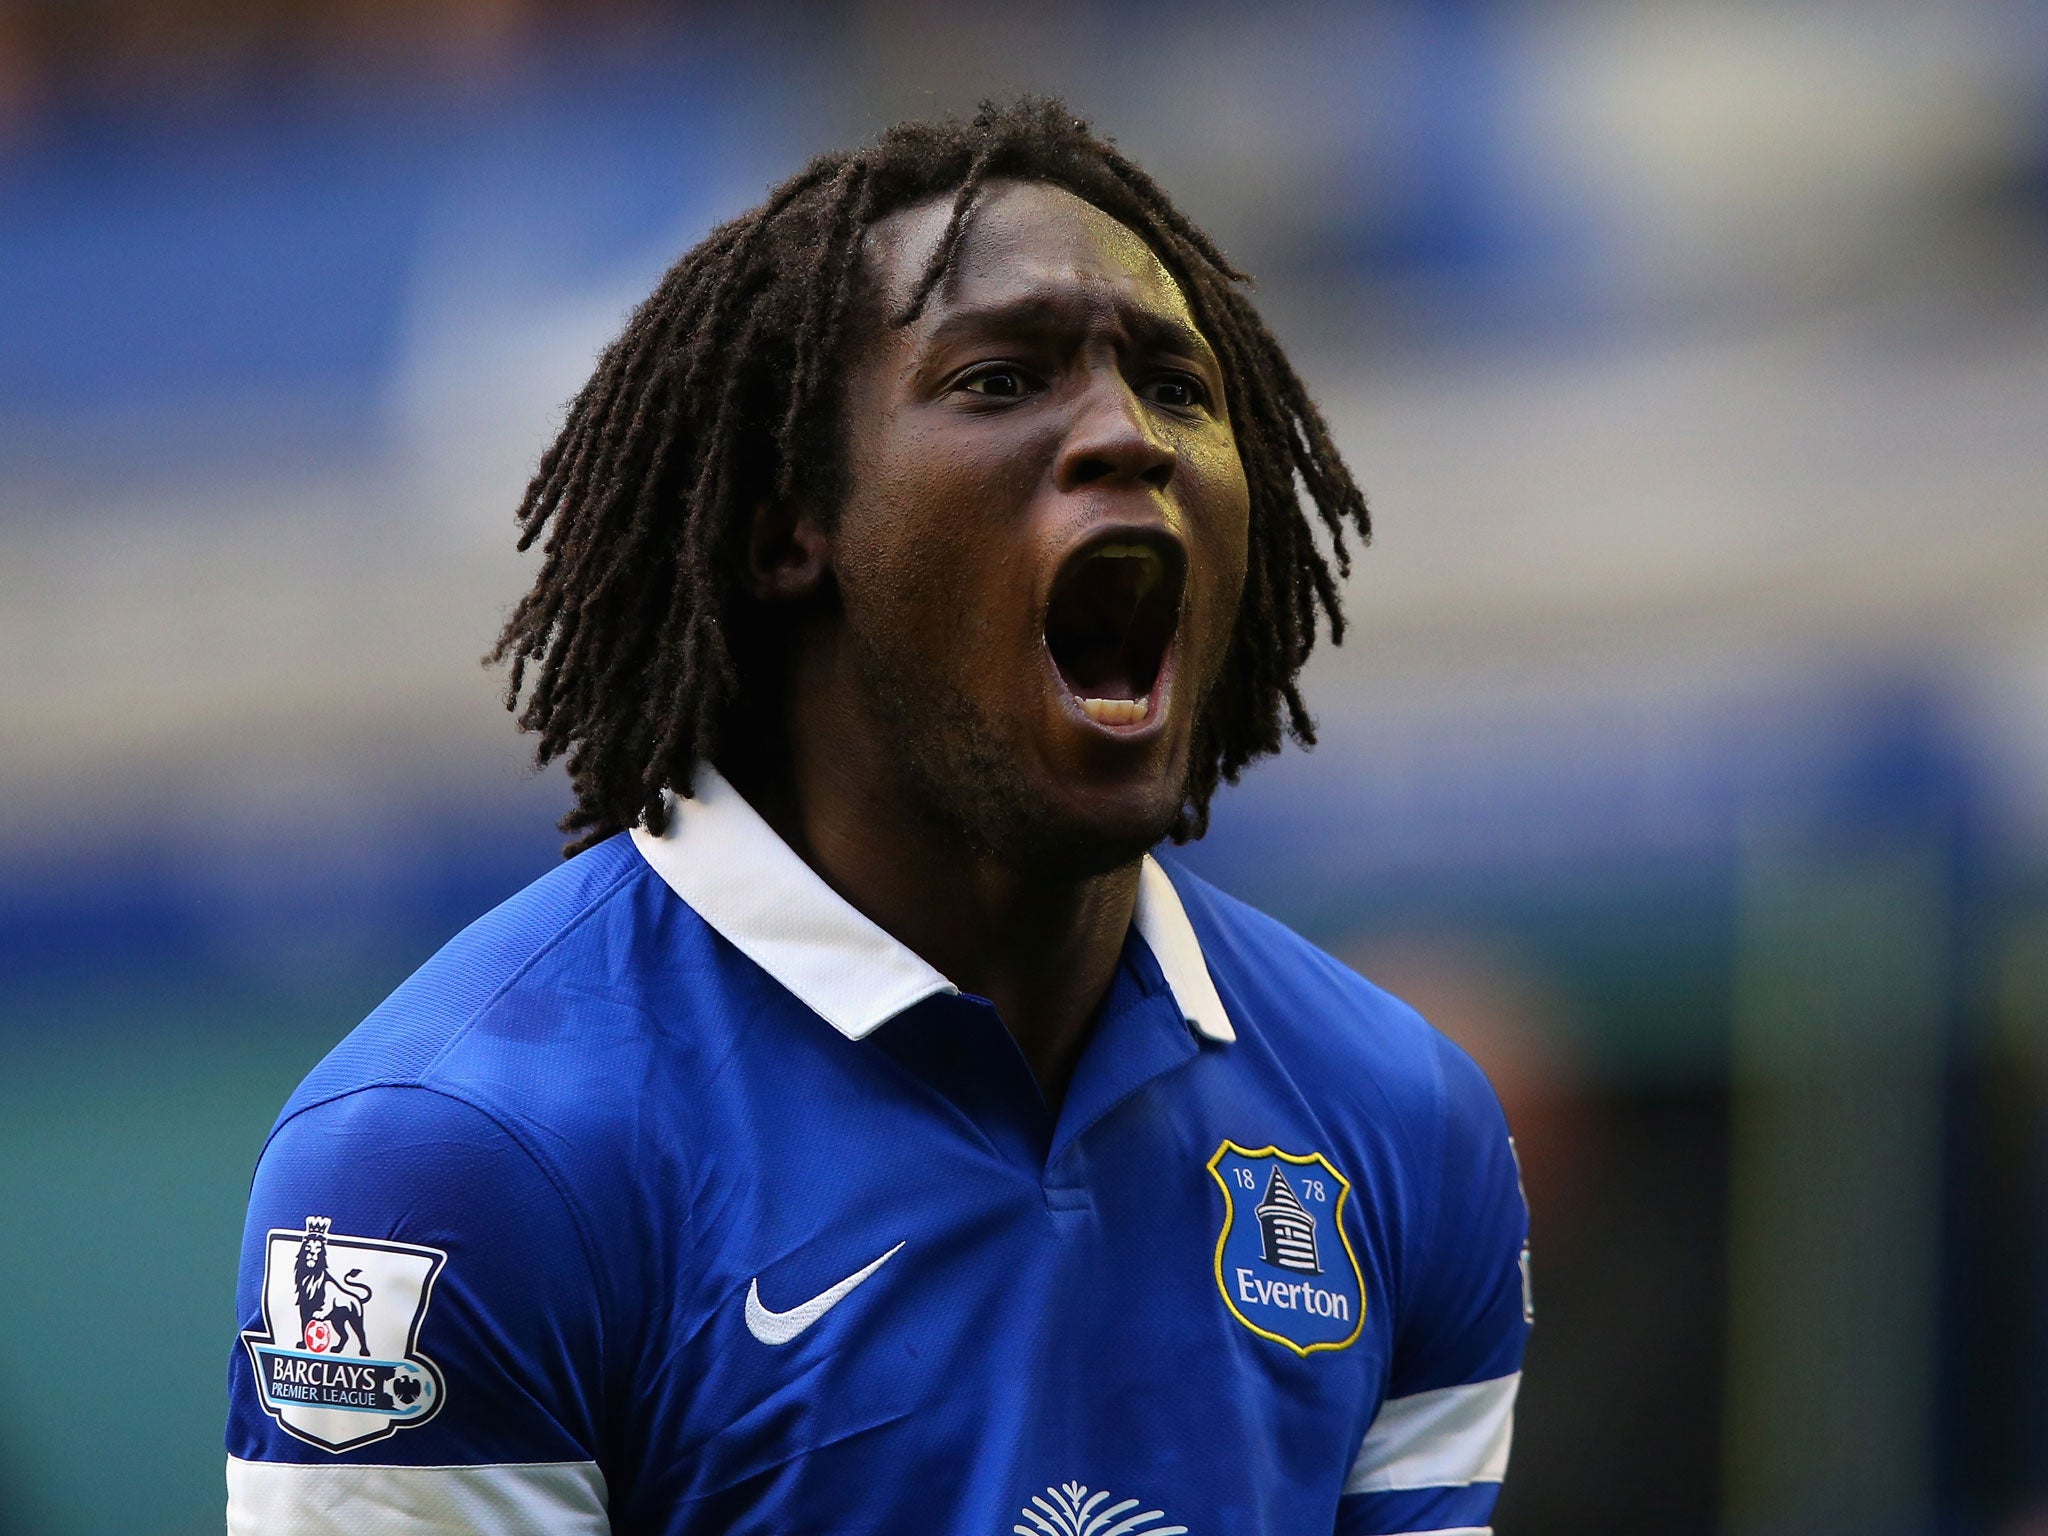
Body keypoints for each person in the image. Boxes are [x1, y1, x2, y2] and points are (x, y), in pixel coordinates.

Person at [225, 98, 1530, 1535]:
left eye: (1175, 386)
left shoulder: (1399, 1119)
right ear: (792, 523)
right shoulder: (453, 1157)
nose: (1125, 435)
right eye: (1001, 379)